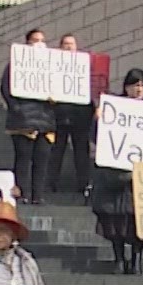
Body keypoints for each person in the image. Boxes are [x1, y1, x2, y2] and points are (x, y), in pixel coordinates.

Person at [91, 69, 143, 275]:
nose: (138, 89)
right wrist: (98, 120)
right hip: (114, 175)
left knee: (138, 222)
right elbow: (96, 138)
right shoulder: (113, 110)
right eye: (135, 85)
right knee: (114, 220)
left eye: (142, 85)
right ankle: (119, 258)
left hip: (141, 178)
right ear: (126, 87)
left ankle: (136, 259)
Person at [0, 27, 56, 205]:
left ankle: (38, 195)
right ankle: (22, 192)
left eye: (42, 40)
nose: (39, 44)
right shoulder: (15, 65)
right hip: (23, 120)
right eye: (35, 40)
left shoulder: (51, 67)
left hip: (45, 121)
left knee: (42, 159)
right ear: (27, 43)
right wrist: (17, 108)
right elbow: (6, 89)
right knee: (23, 158)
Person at [48, 34, 94, 199]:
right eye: (65, 44)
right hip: (58, 114)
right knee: (56, 151)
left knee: (81, 152)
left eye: (71, 44)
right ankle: (50, 183)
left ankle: (83, 184)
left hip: (80, 115)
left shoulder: (84, 66)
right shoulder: (53, 65)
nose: (68, 47)